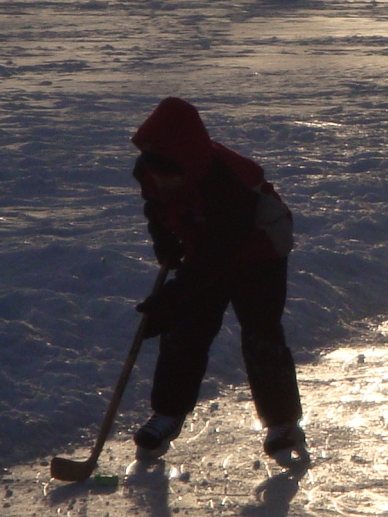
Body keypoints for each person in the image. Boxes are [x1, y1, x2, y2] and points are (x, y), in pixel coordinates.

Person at [129, 97, 309, 467]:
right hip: (206, 243)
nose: (161, 179)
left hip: (259, 248)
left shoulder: (228, 183)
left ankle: (283, 424)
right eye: (155, 170)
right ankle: (168, 413)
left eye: (170, 173)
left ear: (190, 161)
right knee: (186, 329)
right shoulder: (151, 169)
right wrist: (164, 239)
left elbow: (220, 251)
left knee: (261, 333)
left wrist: (175, 293)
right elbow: (157, 206)